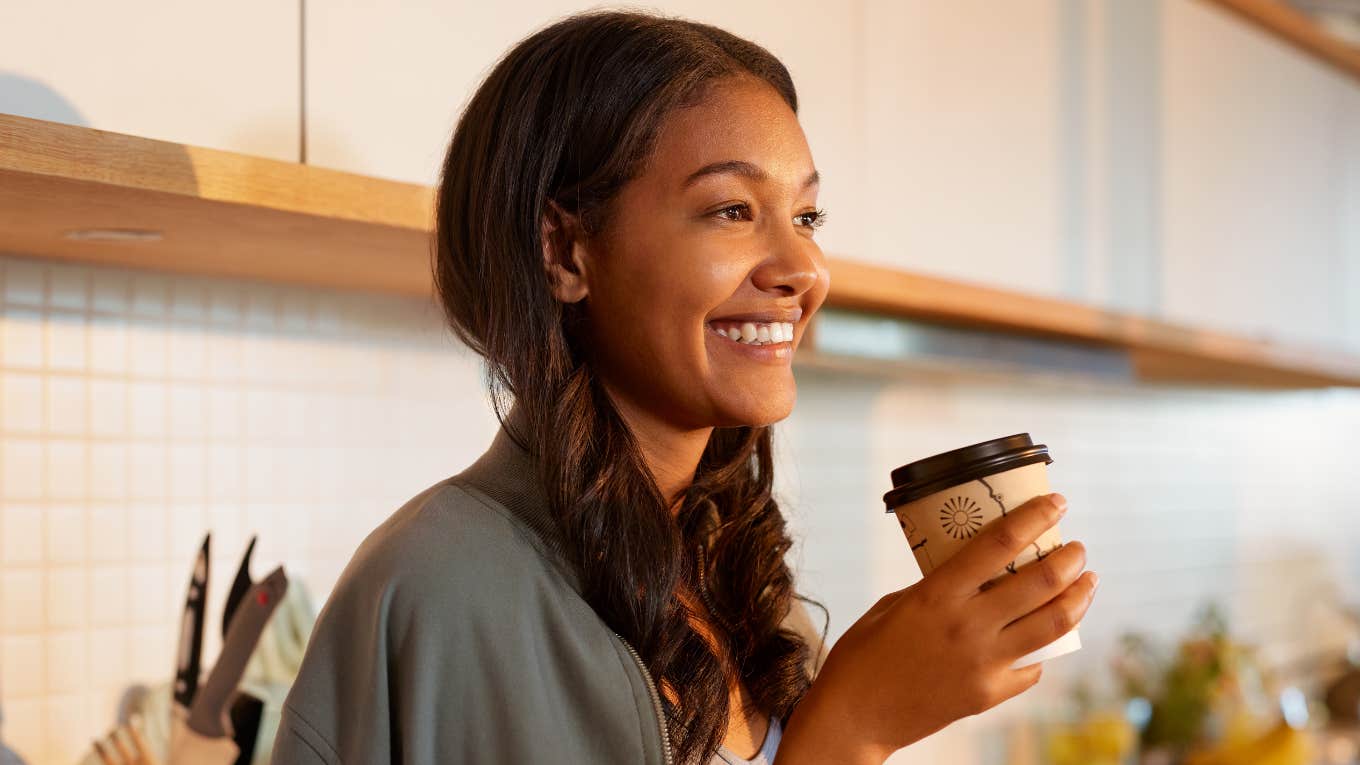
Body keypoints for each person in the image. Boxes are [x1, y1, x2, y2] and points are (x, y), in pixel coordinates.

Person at [271, 9, 1098, 765]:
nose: (804, 268)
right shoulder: (437, 587)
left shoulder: (740, 582)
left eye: (806, 217)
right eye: (732, 210)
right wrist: (854, 728)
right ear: (564, 252)